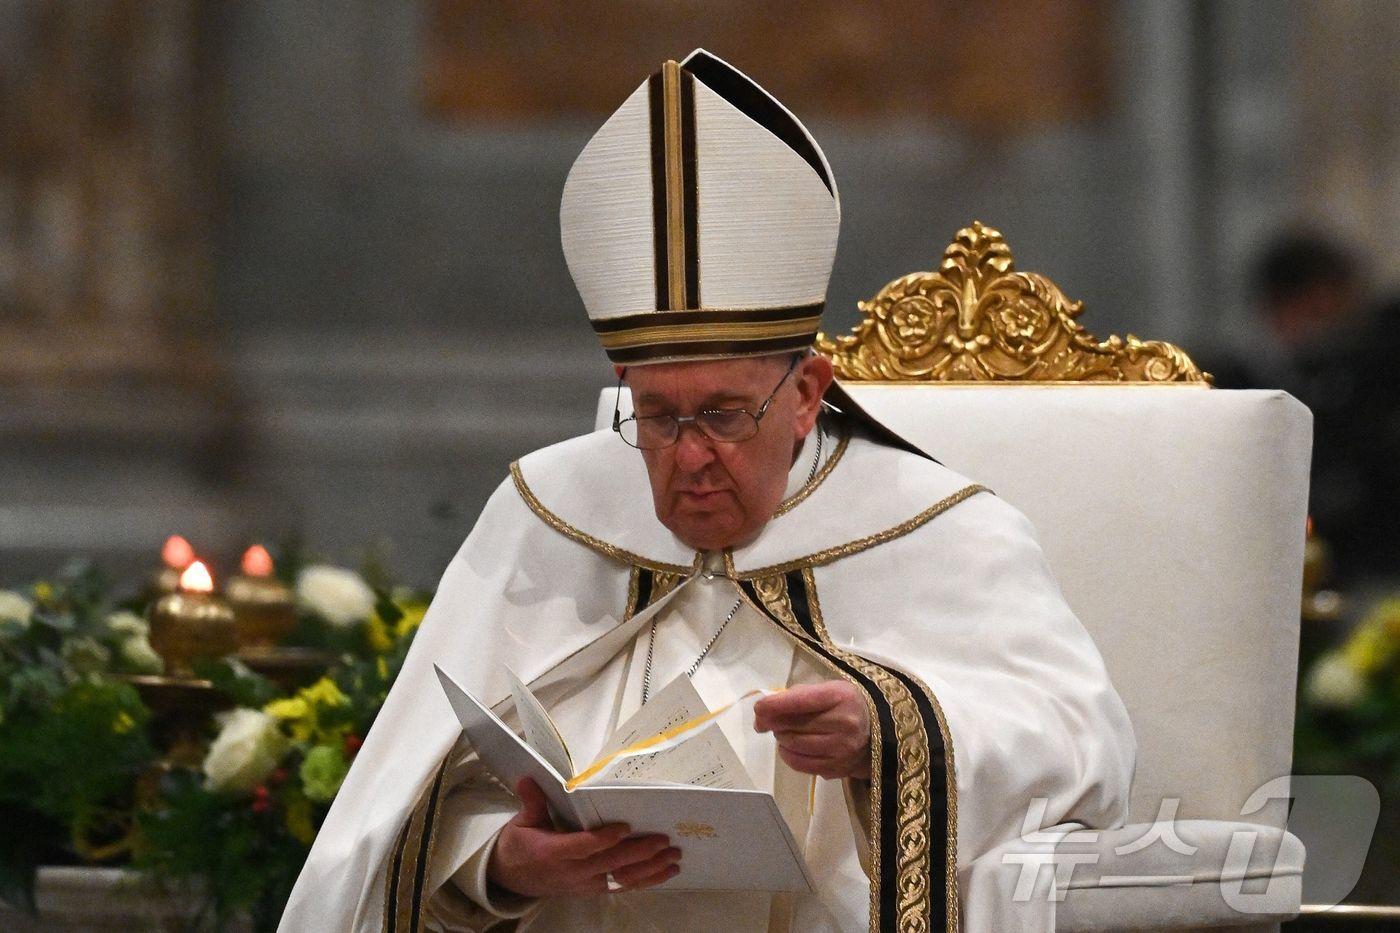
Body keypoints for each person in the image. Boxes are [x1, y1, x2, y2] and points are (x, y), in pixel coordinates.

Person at [279, 50, 1135, 932]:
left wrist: (889, 727)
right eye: (656, 416)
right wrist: (500, 865)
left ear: (805, 394)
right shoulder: (549, 510)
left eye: (725, 414)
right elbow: (407, 798)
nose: (688, 456)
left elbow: (1087, 743)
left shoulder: (941, 530)